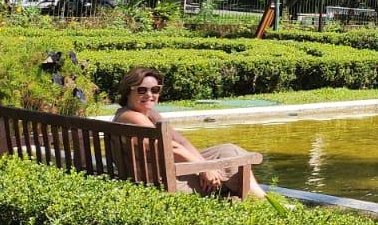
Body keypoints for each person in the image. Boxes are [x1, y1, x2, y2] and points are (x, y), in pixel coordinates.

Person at [113, 67, 267, 199]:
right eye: (141, 90)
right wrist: (203, 169)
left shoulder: (149, 114)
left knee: (228, 150)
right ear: (128, 91)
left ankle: (257, 196)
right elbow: (171, 148)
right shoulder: (132, 116)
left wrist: (206, 165)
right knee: (234, 161)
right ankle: (260, 200)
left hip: (164, 171)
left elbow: (182, 142)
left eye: (155, 90)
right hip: (162, 181)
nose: (149, 95)